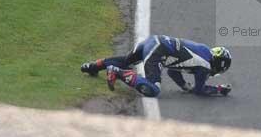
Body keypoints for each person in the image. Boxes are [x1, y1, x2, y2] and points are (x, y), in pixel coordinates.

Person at [80, 35, 232, 97]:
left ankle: (92, 66)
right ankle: (117, 72)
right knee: (153, 89)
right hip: (159, 51)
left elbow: (173, 71)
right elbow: (200, 90)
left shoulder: (204, 50)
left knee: (126, 60)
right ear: (218, 64)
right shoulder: (205, 65)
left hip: (153, 41)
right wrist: (219, 89)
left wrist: (185, 86)